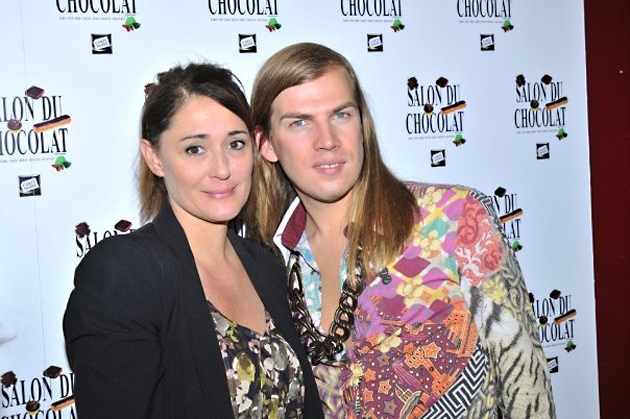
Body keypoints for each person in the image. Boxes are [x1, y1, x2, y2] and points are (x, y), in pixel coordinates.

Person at [246, 43, 556, 418]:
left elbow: (526, 387)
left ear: (362, 124)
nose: (327, 140)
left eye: (341, 114)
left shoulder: (454, 218)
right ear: (266, 144)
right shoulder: (269, 262)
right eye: (300, 122)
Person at [63, 62, 324, 418]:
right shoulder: (124, 273)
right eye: (195, 149)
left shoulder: (266, 265)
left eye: (235, 144)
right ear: (154, 157)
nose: (222, 169)